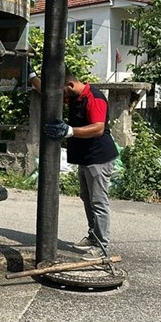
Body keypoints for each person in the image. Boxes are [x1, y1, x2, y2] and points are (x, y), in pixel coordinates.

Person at [28, 69, 118, 261]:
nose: (61, 97)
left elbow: (98, 128)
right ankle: (93, 236)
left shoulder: (94, 97)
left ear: (70, 85)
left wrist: (69, 131)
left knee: (98, 202)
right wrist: (31, 75)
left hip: (99, 158)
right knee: (87, 198)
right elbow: (46, 92)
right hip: (86, 157)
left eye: (62, 92)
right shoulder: (74, 96)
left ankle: (101, 246)